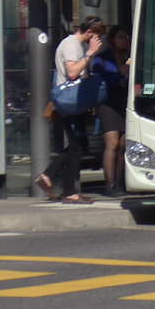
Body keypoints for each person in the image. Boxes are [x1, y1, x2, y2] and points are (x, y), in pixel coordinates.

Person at [36, 16, 105, 204]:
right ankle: (68, 191)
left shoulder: (74, 45)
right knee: (77, 147)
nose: (98, 41)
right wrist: (90, 53)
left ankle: (50, 177)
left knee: (78, 146)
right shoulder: (71, 45)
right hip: (70, 102)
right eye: (97, 36)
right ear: (89, 32)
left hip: (75, 103)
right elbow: (72, 73)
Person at [92, 26, 131, 196]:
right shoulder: (102, 58)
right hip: (108, 103)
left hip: (124, 102)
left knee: (123, 144)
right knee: (112, 144)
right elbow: (99, 79)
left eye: (127, 37)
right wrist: (119, 73)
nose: (125, 40)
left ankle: (119, 183)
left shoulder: (129, 56)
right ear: (113, 39)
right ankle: (109, 184)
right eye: (121, 37)